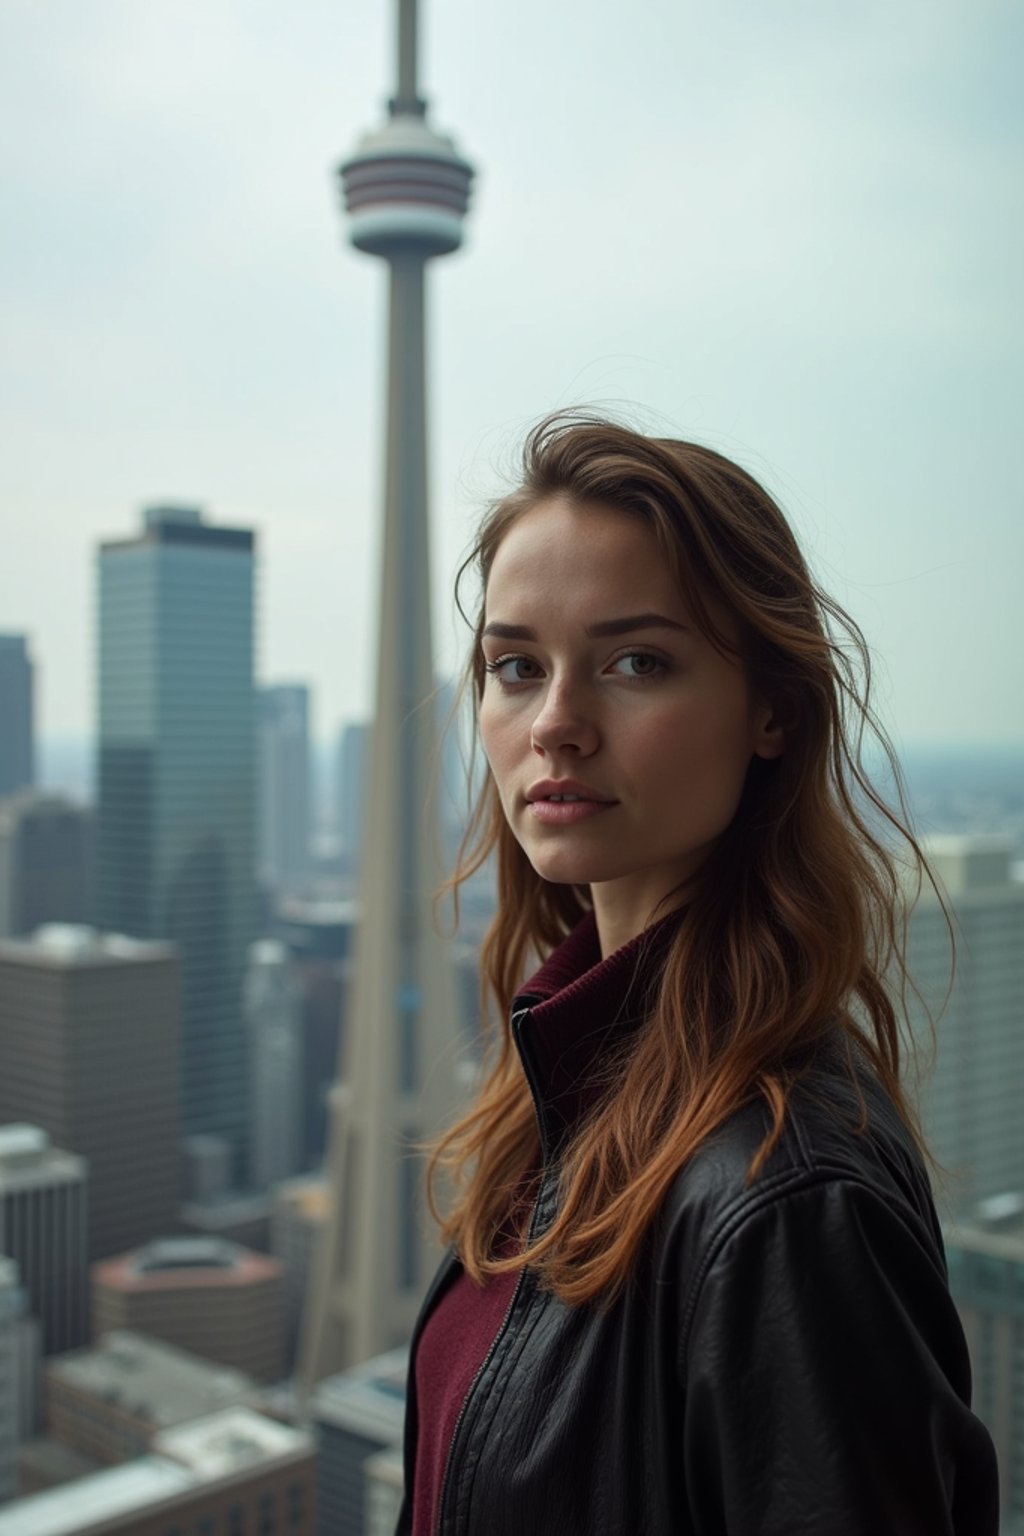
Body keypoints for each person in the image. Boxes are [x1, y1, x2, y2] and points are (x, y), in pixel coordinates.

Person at [396, 414, 1000, 1536]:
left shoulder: (787, 1197)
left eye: (636, 662)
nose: (556, 725)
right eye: (515, 667)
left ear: (771, 710)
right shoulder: (575, 1078)